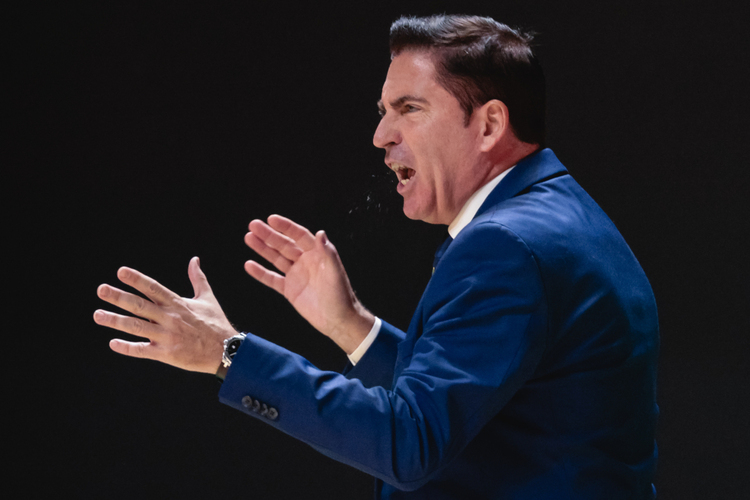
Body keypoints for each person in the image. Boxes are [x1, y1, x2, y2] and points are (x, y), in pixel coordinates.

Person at [94, 14, 659, 499]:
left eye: (409, 108)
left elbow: (410, 443)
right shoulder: (559, 214)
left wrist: (227, 353)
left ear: (489, 123)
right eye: (384, 110)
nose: (381, 135)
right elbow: (468, 407)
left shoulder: (505, 246)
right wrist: (351, 325)